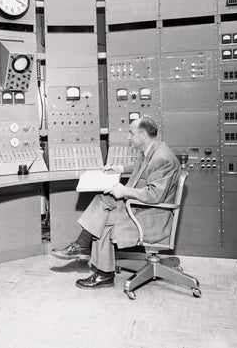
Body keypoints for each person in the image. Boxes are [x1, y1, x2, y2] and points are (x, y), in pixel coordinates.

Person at [50, 117, 182, 289]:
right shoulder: (153, 150)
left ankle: (101, 271)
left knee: (104, 221)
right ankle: (82, 246)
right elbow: (143, 169)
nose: (128, 137)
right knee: (102, 199)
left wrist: (125, 191)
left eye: (131, 133)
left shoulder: (161, 158)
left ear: (142, 135)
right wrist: (120, 169)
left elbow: (154, 195)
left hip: (154, 218)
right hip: (147, 210)